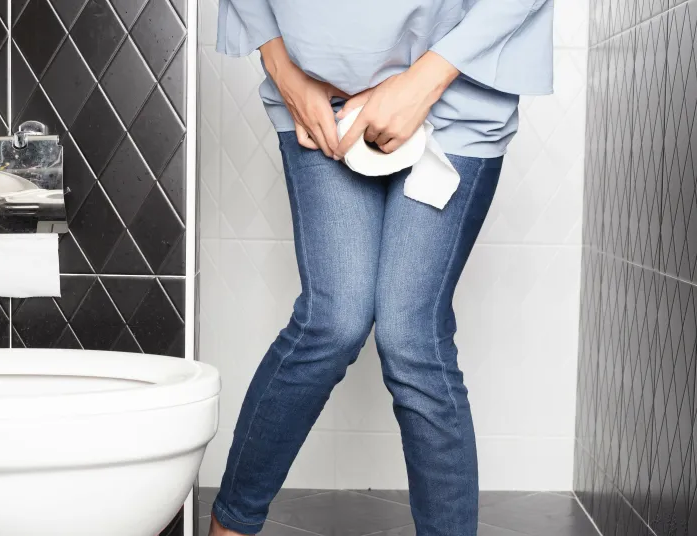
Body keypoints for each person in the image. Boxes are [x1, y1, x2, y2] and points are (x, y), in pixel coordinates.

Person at [208, 1, 553, 535]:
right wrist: (285, 71)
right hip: (323, 97)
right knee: (333, 320)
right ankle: (230, 524)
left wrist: (421, 83)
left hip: (456, 91)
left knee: (411, 335)